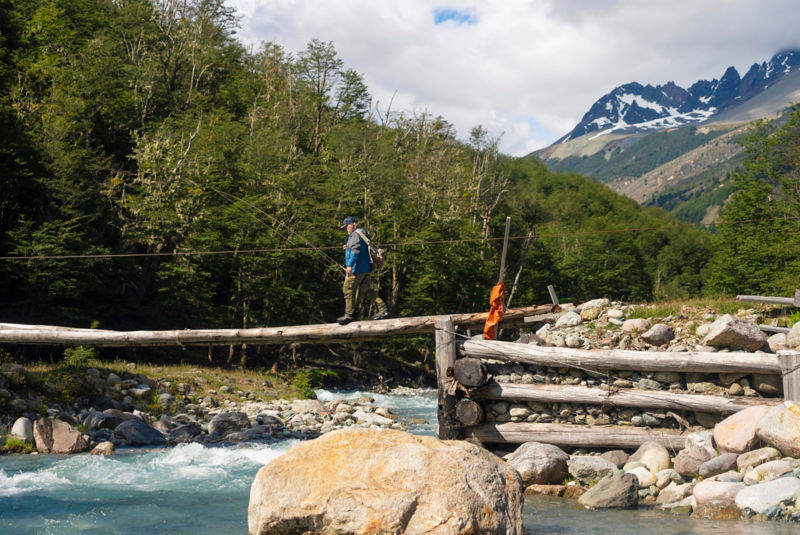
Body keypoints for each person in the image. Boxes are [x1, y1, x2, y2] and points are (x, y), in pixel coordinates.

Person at [337, 216, 390, 325]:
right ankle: (383, 310)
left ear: (352, 224)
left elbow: (356, 250)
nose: (346, 229)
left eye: (347, 226)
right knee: (367, 290)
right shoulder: (364, 233)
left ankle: (349, 314)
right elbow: (359, 247)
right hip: (366, 268)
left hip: (356, 270)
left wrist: (350, 266)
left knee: (347, 290)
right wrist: (347, 246)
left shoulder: (355, 235)